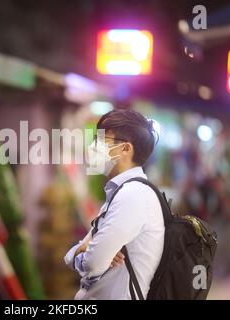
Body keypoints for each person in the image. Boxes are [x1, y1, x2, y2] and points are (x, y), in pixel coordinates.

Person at [64, 109, 164, 300]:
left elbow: (92, 265)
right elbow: (72, 256)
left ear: (125, 148)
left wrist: (86, 249)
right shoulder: (121, 192)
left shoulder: (133, 195)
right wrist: (84, 247)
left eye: (101, 141)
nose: (93, 147)